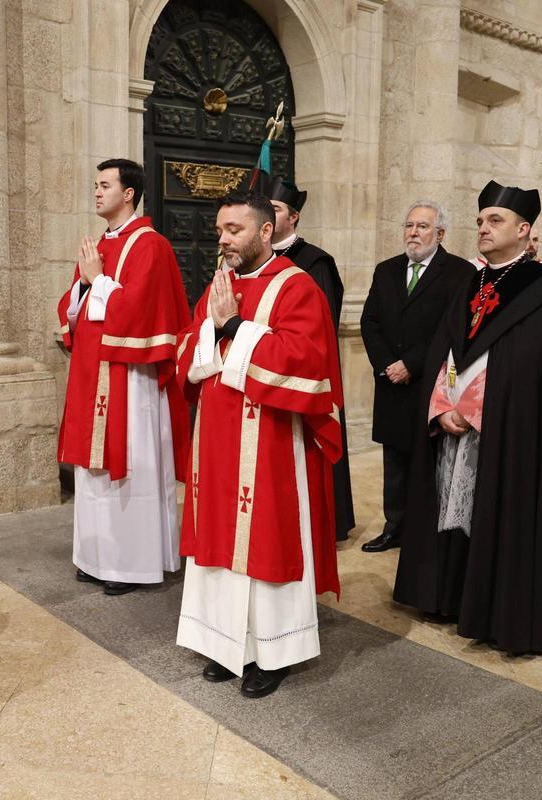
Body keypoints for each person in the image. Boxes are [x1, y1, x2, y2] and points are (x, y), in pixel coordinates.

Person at [392, 180, 542, 655]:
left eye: (494, 221)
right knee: (448, 510)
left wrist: (473, 410)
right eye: (480, 220)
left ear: (523, 230)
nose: (483, 228)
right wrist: (441, 407)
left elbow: (528, 372)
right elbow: (444, 351)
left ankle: (494, 610)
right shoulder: (468, 283)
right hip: (452, 423)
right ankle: (446, 597)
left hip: (508, 433)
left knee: (497, 511)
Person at [175, 192, 342, 698]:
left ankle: (273, 651)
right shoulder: (219, 284)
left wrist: (231, 328)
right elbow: (188, 348)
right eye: (220, 229)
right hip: (218, 442)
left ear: (265, 232)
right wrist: (215, 333)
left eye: (234, 230)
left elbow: (305, 363)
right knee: (219, 541)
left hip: (268, 441)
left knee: (267, 539)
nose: (222, 239)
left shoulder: (297, 287)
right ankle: (227, 644)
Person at [56, 158, 191, 596]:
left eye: (105, 185)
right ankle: (95, 556)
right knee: (93, 468)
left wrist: (96, 281)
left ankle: (131, 563)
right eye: (95, 185)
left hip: (130, 378)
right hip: (94, 373)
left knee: (130, 463)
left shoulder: (150, 245)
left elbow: (138, 314)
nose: (96, 192)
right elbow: (73, 307)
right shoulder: (99, 244)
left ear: (129, 192)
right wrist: (84, 285)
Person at [358, 201, 475, 553]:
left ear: (440, 233)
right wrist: (387, 363)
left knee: (429, 461)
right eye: (409, 226)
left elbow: (452, 328)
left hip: (431, 384)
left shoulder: (459, 273)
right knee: (394, 462)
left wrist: (411, 363)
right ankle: (394, 527)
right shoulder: (386, 270)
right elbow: (370, 322)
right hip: (391, 384)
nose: (413, 233)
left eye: (422, 227)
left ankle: (425, 533)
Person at [267, 176, 355, 540]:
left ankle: (325, 521)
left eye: (275, 210)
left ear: (294, 217)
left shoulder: (315, 261)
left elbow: (321, 325)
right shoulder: (255, 259)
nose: (267, 217)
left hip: (305, 372)